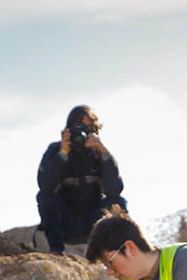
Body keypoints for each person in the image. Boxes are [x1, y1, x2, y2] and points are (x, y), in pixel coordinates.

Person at [36, 106, 126, 255]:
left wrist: (103, 151)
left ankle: (113, 253)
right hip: (65, 223)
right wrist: (63, 153)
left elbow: (115, 190)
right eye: (77, 127)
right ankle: (56, 252)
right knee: (46, 197)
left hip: (94, 224)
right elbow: (45, 187)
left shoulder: (99, 153)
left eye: (87, 127)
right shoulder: (56, 150)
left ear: (95, 130)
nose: (82, 133)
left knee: (117, 202)